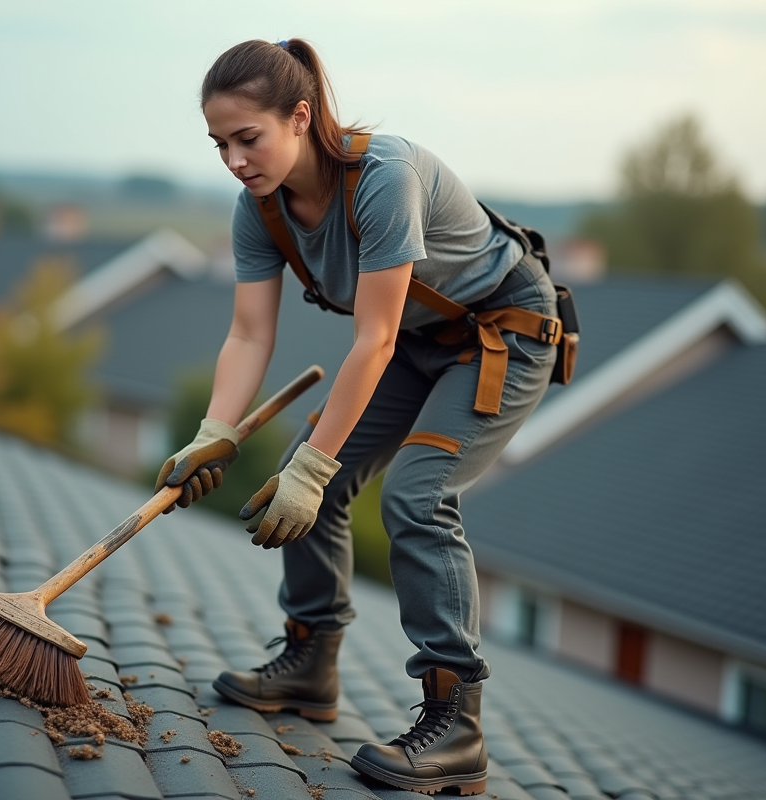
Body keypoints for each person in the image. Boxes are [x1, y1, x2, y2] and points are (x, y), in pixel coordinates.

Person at [154, 38, 559, 796]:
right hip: (413, 340)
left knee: (416, 494)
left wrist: (315, 463)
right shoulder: (261, 212)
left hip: (502, 333)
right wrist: (215, 431)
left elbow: (370, 338)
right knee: (303, 480)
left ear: (301, 117)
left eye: (249, 138)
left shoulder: (384, 178)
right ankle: (311, 663)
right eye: (220, 144)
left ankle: (457, 724)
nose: (236, 160)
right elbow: (248, 333)